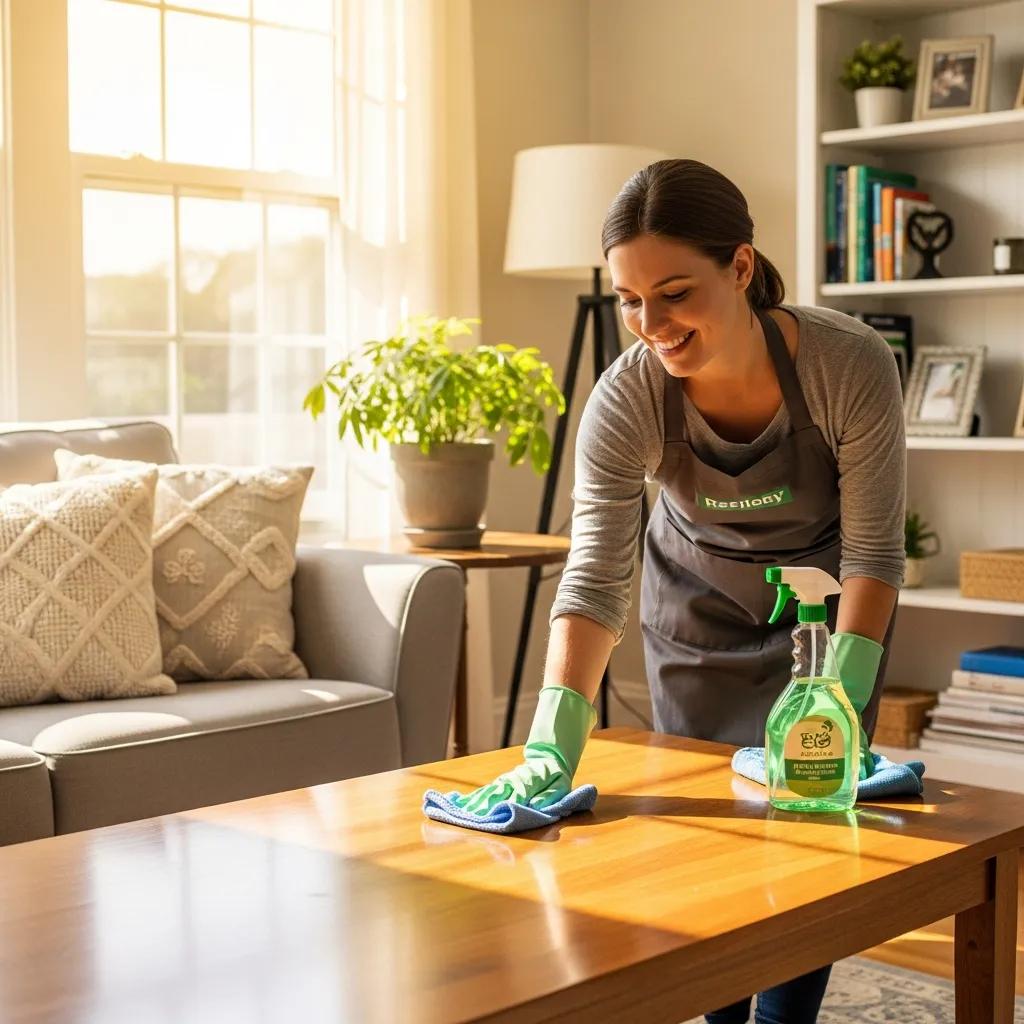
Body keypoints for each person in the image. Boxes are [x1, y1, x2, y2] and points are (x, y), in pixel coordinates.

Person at [454, 158, 906, 1024]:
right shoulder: (627, 401)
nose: (650, 325)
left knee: (810, 822)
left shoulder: (850, 364)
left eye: (674, 293)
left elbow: (876, 555)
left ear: (739, 267)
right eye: (629, 299)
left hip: (827, 626)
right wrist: (552, 741)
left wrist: (834, 702)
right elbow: (593, 577)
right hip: (692, 613)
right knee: (709, 842)